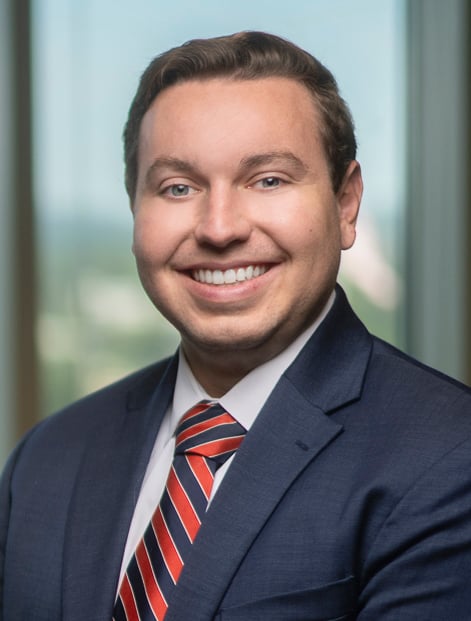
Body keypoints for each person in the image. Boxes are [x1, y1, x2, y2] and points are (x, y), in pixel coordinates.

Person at [1, 30, 471, 621]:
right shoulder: (47, 458)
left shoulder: (449, 455)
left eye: (268, 179)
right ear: (135, 209)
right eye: (178, 188)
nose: (219, 228)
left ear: (346, 203)